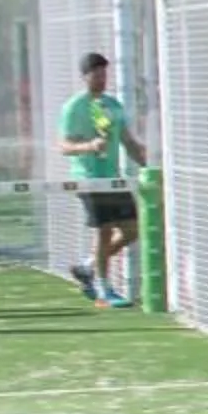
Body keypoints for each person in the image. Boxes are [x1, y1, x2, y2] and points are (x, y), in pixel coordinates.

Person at [58, 50, 148, 305]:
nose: (101, 78)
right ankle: (104, 288)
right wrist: (89, 146)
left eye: (104, 73)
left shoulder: (112, 105)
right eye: (96, 74)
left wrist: (146, 164)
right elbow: (64, 146)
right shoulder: (74, 107)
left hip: (113, 178)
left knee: (132, 229)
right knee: (105, 230)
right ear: (85, 76)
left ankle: (88, 267)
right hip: (88, 178)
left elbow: (128, 140)